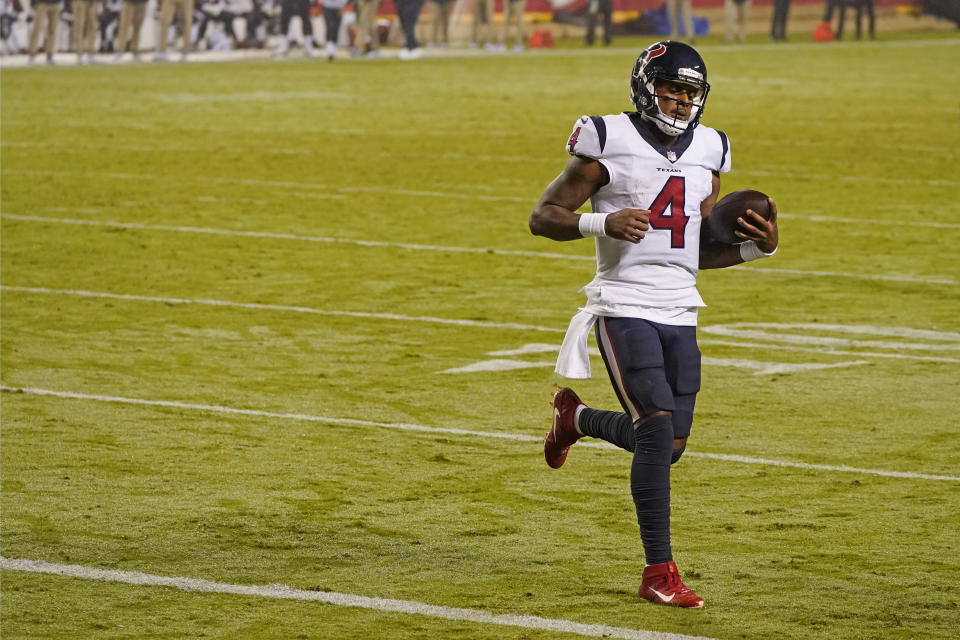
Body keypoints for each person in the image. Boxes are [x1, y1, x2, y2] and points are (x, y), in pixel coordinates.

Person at [529, 40, 779, 608]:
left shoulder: (712, 147)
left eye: (692, 91)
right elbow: (543, 217)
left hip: (681, 307)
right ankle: (658, 571)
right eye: (672, 87)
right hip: (622, 304)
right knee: (658, 429)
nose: (682, 99)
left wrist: (755, 251)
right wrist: (602, 223)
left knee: (670, 445)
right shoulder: (605, 137)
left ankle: (577, 418)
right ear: (646, 86)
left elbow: (689, 250)